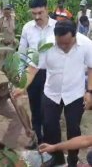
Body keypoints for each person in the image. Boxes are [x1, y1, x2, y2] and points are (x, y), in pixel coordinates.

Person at [14, 20, 92, 166]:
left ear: (75, 36)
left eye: (67, 43)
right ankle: (56, 160)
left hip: (75, 94)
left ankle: (73, 160)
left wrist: (90, 91)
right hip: (51, 93)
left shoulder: (87, 44)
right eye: (59, 43)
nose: (63, 46)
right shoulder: (46, 45)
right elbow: (33, 68)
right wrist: (22, 86)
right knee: (49, 127)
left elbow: (91, 67)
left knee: (73, 128)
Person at [18, 0, 57, 145]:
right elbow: (22, 52)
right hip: (32, 73)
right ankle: (36, 139)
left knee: (47, 109)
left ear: (47, 8)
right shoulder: (27, 28)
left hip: (51, 74)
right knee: (35, 108)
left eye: (40, 13)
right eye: (34, 13)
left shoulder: (56, 27)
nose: (37, 17)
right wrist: (21, 75)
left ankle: (48, 141)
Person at [0, 4, 16, 70]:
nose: (7, 11)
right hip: (1, 45)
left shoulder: (13, 18)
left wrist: (13, 38)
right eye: (5, 9)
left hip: (10, 45)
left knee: (9, 65)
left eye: (8, 9)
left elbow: (13, 30)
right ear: (3, 10)